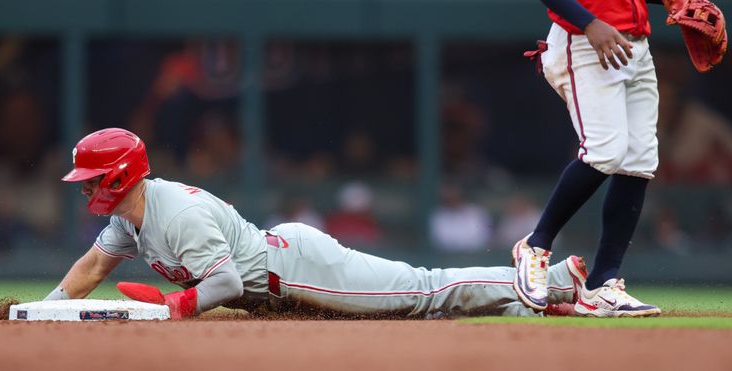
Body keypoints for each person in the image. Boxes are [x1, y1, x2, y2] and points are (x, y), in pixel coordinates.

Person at [45, 128, 587, 319]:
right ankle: (535, 301)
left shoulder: (176, 213)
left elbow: (227, 283)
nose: (87, 187)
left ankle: (556, 278)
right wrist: (45, 309)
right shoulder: (130, 218)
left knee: (423, 292)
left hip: (296, 268)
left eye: (93, 178)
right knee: (413, 310)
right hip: (284, 276)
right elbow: (93, 266)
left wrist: (173, 307)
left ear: (121, 176)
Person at [513, 0, 666, 318]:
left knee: (639, 163)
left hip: (636, 45)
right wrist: (587, 23)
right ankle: (536, 245)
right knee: (604, 152)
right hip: (585, 40)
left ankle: (601, 285)